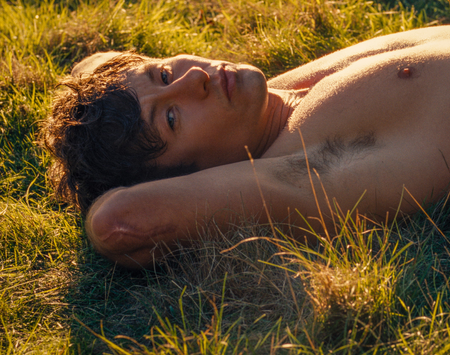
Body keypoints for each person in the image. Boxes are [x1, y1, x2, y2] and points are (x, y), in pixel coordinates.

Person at [43, 25, 450, 268]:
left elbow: (95, 63)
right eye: (172, 118)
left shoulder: (271, 99)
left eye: (164, 73)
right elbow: (117, 222)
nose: (195, 79)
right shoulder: (302, 169)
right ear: (200, 175)